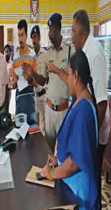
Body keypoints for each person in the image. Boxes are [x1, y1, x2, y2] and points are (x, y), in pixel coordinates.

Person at [41, 50, 99, 210]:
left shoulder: (83, 110)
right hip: (71, 182)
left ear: (76, 76)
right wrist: (58, 161)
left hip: (78, 191)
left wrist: (51, 174)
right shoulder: (81, 98)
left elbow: (75, 163)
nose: (67, 80)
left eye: (68, 74)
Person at [71, 9, 109, 209]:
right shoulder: (85, 52)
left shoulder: (93, 55)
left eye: (73, 31)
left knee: (93, 182)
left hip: (95, 134)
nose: (71, 37)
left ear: (81, 31)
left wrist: (91, 140)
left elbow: (101, 103)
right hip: (89, 131)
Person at [23, 13, 73, 153]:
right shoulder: (48, 53)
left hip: (63, 111)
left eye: (51, 30)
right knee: (48, 150)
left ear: (57, 29)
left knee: (63, 150)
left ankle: (61, 174)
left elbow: (73, 81)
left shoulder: (69, 50)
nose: (49, 34)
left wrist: (58, 70)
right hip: (49, 109)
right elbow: (43, 80)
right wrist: (32, 73)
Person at [11, 19, 38, 125]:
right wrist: (14, 82)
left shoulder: (32, 55)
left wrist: (30, 79)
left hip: (30, 101)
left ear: (26, 35)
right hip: (19, 102)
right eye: (18, 35)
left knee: (32, 133)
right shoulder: (15, 57)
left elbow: (37, 83)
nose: (20, 38)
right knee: (19, 135)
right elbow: (13, 84)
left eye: (22, 35)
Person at [30, 25, 47, 136]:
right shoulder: (30, 56)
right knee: (34, 129)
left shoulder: (45, 55)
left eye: (35, 36)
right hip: (32, 98)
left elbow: (47, 78)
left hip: (42, 97)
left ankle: (43, 153)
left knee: (43, 128)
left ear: (39, 38)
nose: (34, 40)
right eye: (32, 37)